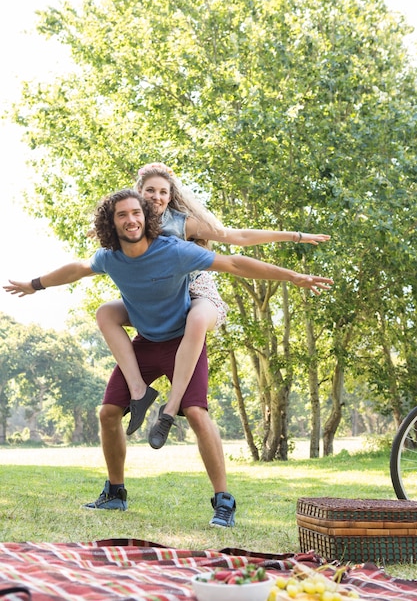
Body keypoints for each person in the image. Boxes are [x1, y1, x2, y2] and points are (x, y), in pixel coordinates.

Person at [4, 189, 333, 526]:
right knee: (107, 412)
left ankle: (224, 501)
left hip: (182, 343)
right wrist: (35, 284)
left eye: (136, 213)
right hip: (146, 343)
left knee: (195, 412)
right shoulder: (110, 257)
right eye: (122, 215)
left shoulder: (174, 250)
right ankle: (115, 493)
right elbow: (76, 269)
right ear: (111, 223)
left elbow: (233, 263)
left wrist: (292, 276)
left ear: (147, 218)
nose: (131, 220)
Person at [95, 162, 331, 446]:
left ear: (170, 196)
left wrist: (295, 237)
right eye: (150, 191)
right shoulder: (130, 225)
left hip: (195, 291)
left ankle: (169, 411)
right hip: (157, 300)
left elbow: (238, 238)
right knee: (106, 312)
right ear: (138, 193)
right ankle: (138, 392)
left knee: (196, 320)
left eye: (163, 192)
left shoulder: (182, 223)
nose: (156, 197)